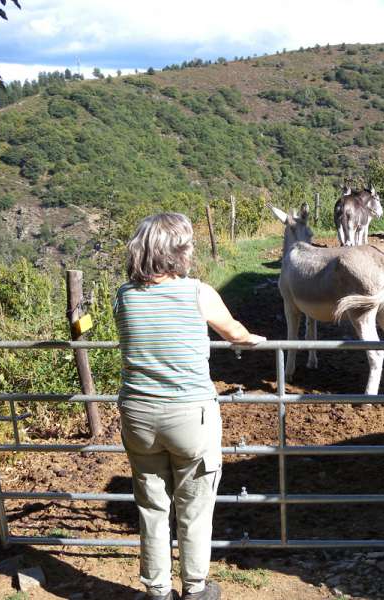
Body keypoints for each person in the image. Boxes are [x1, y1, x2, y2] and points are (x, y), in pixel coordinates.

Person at [114, 213, 265, 600]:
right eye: (189, 245)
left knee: (151, 506)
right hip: (190, 416)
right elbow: (233, 332)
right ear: (177, 252)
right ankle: (195, 588)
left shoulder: (124, 296)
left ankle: (156, 589)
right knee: (194, 509)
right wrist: (251, 338)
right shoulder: (199, 292)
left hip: (139, 415)